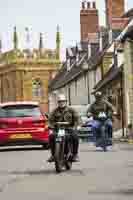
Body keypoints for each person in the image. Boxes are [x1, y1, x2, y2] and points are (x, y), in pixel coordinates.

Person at [48, 94, 80, 162]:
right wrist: (50, 126)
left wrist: (76, 126)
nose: (61, 103)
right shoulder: (54, 111)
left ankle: (75, 154)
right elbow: (50, 120)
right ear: (58, 103)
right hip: (58, 129)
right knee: (51, 136)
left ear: (66, 102)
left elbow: (77, 118)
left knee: (75, 136)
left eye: (63, 101)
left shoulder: (71, 110)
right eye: (60, 101)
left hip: (69, 129)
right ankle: (53, 155)